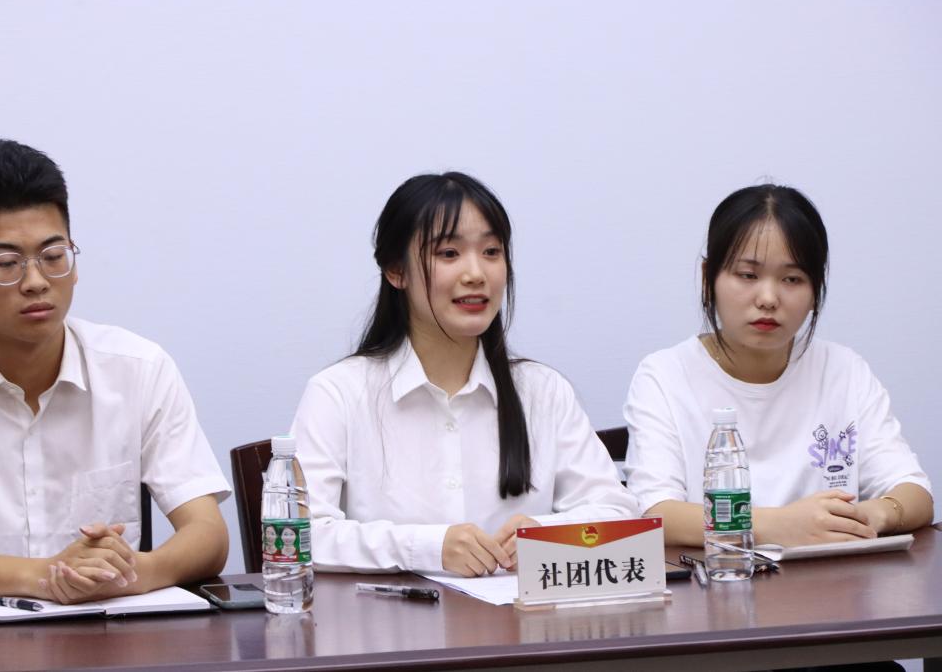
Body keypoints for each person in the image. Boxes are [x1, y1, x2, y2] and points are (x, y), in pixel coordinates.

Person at [0, 139, 231, 602]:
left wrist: (136, 572)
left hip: (107, 631)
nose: (36, 282)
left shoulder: (138, 369)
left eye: (53, 256)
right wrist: (46, 576)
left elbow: (208, 533)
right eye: (7, 264)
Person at [291, 171, 638, 576]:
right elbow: (301, 535)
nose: (476, 273)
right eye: (449, 253)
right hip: (390, 616)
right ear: (396, 271)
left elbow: (618, 513)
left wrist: (545, 536)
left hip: (520, 615)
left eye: (491, 251)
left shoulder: (542, 391)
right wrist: (427, 547)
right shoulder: (339, 393)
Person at [623, 184, 933, 547]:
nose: (768, 299)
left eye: (792, 279)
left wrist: (870, 515)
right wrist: (778, 525)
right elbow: (655, 513)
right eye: (748, 275)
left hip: (834, 578)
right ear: (708, 279)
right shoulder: (664, 375)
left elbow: (915, 493)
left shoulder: (844, 370)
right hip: (722, 576)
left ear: (815, 290)